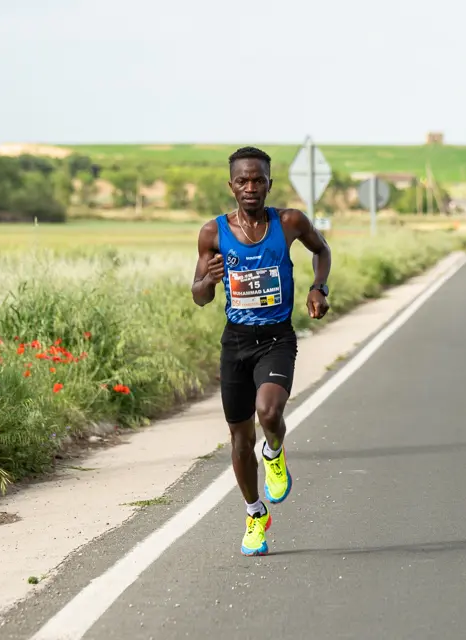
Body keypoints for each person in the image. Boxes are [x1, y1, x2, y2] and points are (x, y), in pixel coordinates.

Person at [191, 146, 332, 556]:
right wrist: (208, 281)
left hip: (276, 338)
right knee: (239, 438)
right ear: (231, 185)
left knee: (268, 412)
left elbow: (321, 250)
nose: (250, 187)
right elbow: (199, 296)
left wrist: (318, 287)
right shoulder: (212, 233)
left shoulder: (288, 222)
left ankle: (274, 451)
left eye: (258, 180)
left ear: (269, 183)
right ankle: (255, 514)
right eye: (243, 181)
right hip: (236, 342)